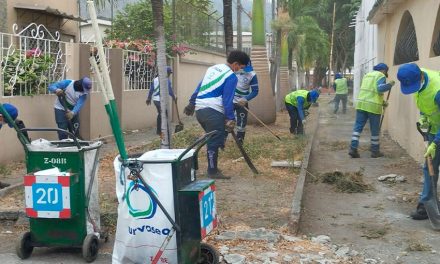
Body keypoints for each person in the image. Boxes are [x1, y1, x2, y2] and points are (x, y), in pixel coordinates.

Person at [183, 50, 250, 179]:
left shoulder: (213, 68)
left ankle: (206, 150)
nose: (239, 70)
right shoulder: (231, 77)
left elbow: (200, 86)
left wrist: (191, 103)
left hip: (200, 110)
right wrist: (230, 118)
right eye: (240, 67)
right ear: (235, 64)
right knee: (214, 140)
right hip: (213, 110)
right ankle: (212, 171)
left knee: (215, 136)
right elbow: (227, 100)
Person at [397, 63, 440, 220]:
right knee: (429, 168)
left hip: (438, 133)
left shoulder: (438, 89)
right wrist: (424, 117)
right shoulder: (419, 81)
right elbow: (424, 100)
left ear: (420, 77)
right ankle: (426, 204)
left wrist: (436, 142)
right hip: (434, 130)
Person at [348, 63, 395, 158]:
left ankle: (353, 148)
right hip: (373, 107)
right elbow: (379, 89)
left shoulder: (367, 75)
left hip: (361, 104)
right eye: (385, 72)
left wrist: (382, 102)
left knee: (358, 128)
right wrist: (389, 85)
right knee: (374, 130)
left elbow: (370, 91)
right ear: (384, 70)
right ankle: (375, 151)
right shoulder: (380, 75)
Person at [231, 60, 259, 144]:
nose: (245, 70)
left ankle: (240, 141)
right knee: (226, 120)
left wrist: (246, 99)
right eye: (243, 68)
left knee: (242, 122)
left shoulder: (252, 74)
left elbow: (255, 91)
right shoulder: (231, 72)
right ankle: (222, 140)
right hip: (230, 101)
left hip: (242, 102)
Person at [146, 66, 176, 135]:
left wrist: (149, 98)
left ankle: (160, 130)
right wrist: (174, 97)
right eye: (169, 73)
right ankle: (162, 130)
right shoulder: (166, 80)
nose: (169, 75)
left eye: (170, 73)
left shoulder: (156, 79)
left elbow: (151, 90)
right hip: (160, 100)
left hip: (155, 100)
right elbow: (170, 90)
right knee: (164, 114)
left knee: (161, 114)